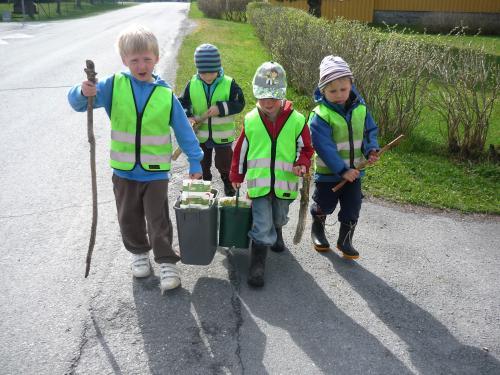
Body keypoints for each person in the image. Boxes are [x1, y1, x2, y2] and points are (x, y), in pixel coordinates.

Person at [67, 25, 203, 294]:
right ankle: (139, 253)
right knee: (128, 216)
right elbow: (79, 103)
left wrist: (195, 160)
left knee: (158, 219)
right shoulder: (113, 86)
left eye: (147, 59)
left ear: (156, 59)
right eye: (134, 60)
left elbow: (184, 131)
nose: (141, 65)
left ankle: (166, 261)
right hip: (124, 171)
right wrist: (83, 91)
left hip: (155, 173)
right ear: (124, 61)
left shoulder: (165, 95)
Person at [230, 61, 313, 287]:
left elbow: (306, 148)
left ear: (282, 95)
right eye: (262, 97)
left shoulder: (297, 121)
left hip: (284, 185)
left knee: (279, 217)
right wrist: (237, 176)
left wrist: (301, 163)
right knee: (261, 223)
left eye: (273, 97)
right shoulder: (251, 120)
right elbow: (241, 151)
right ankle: (257, 264)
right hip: (259, 185)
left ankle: (278, 231)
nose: (267, 102)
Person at [309, 55, 379, 259]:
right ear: (323, 90)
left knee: (353, 205)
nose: (339, 95)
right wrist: (342, 170)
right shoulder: (320, 115)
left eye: (343, 89)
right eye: (332, 91)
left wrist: (371, 150)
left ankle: (345, 239)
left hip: (355, 172)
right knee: (325, 203)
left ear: (351, 85)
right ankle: (318, 229)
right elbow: (324, 147)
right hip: (329, 174)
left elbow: (369, 131)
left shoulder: (361, 108)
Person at [178, 43, 245, 197]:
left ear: (218, 68)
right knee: (202, 162)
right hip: (200, 134)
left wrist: (221, 109)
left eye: (211, 73)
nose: (207, 77)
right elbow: (182, 102)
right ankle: (204, 185)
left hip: (222, 136)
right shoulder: (192, 84)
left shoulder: (229, 84)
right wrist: (188, 116)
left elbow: (239, 103)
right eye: (203, 73)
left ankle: (227, 181)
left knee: (224, 162)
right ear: (198, 70)